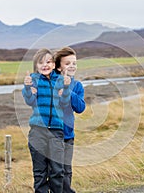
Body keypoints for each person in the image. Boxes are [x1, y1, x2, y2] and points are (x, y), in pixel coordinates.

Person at [22, 48, 71, 193]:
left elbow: (64, 103)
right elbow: (30, 100)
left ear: (54, 64)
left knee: (57, 171)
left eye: (48, 62)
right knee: (40, 173)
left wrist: (66, 88)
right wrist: (27, 87)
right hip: (37, 132)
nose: (45, 65)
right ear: (36, 66)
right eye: (41, 62)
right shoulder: (33, 80)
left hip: (56, 132)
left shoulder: (60, 80)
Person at [54, 47, 86, 193]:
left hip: (68, 134)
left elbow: (80, 107)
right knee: (56, 170)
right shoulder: (51, 83)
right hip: (53, 133)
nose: (72, 66)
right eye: (68, 63)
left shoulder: (77, 85)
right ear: (59, 66)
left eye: (74, 63)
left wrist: (68, 90)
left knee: (67, 169)